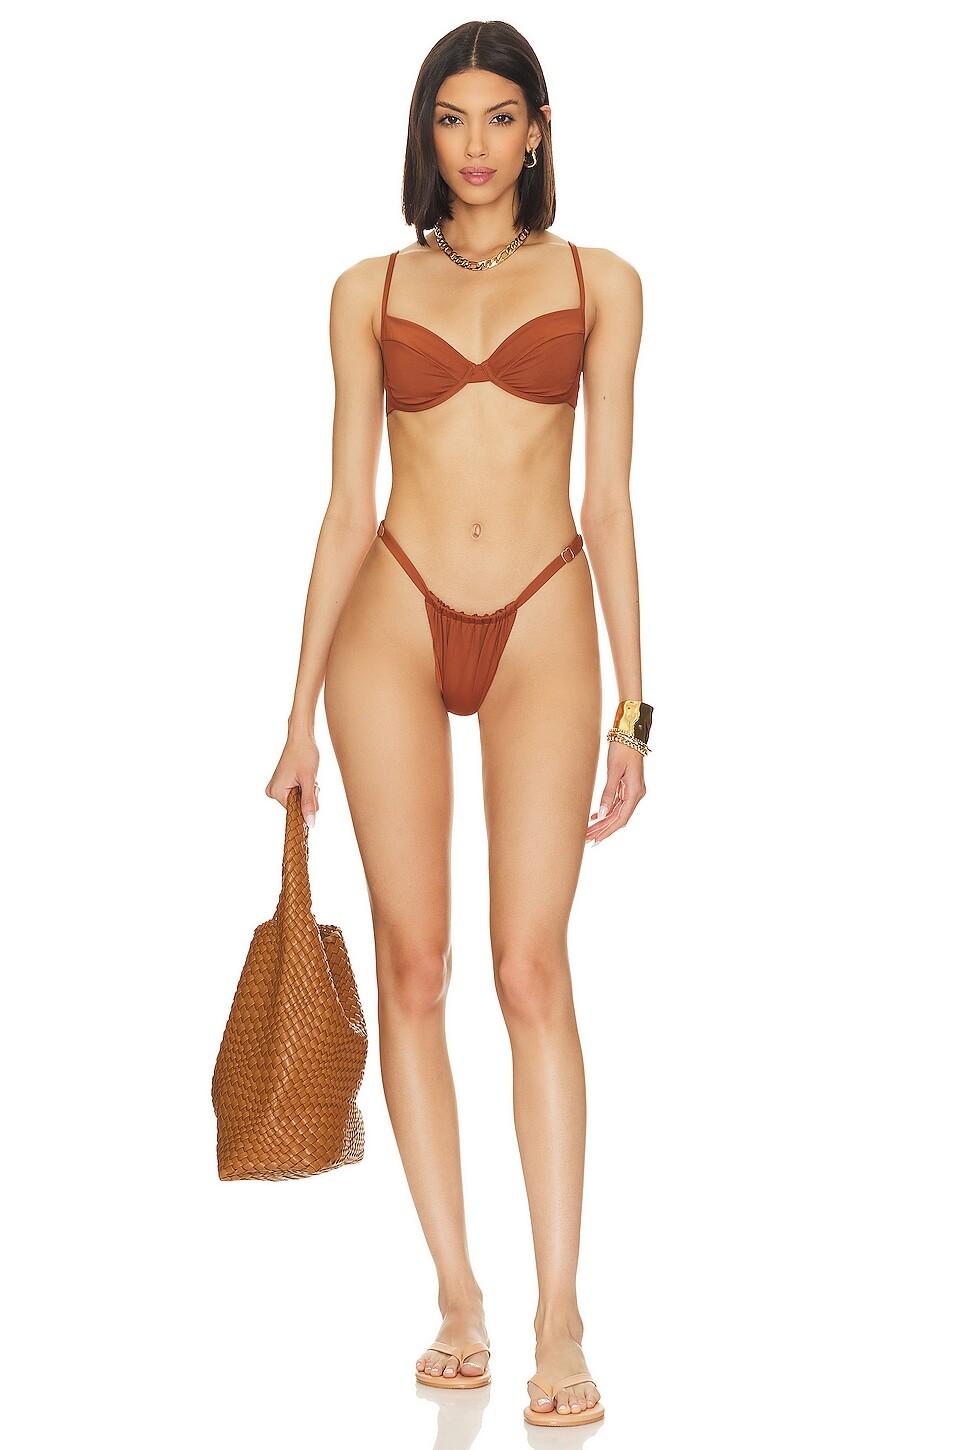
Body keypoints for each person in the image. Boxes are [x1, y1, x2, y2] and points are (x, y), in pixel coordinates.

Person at [265, 19, 651, 1428]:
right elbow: (342, 508)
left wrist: (637, 710)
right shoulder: (366, 290)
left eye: (499, 117)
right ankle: (458, 1299)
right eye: (451, 117)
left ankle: (562, 1317)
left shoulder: (601, 282)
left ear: (538, 130)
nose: (475, 145)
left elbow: (609, 501)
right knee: (413, 967)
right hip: (392, 613)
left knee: (530, 969)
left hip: (545, 612)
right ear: (424, 132)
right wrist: (295, 712)